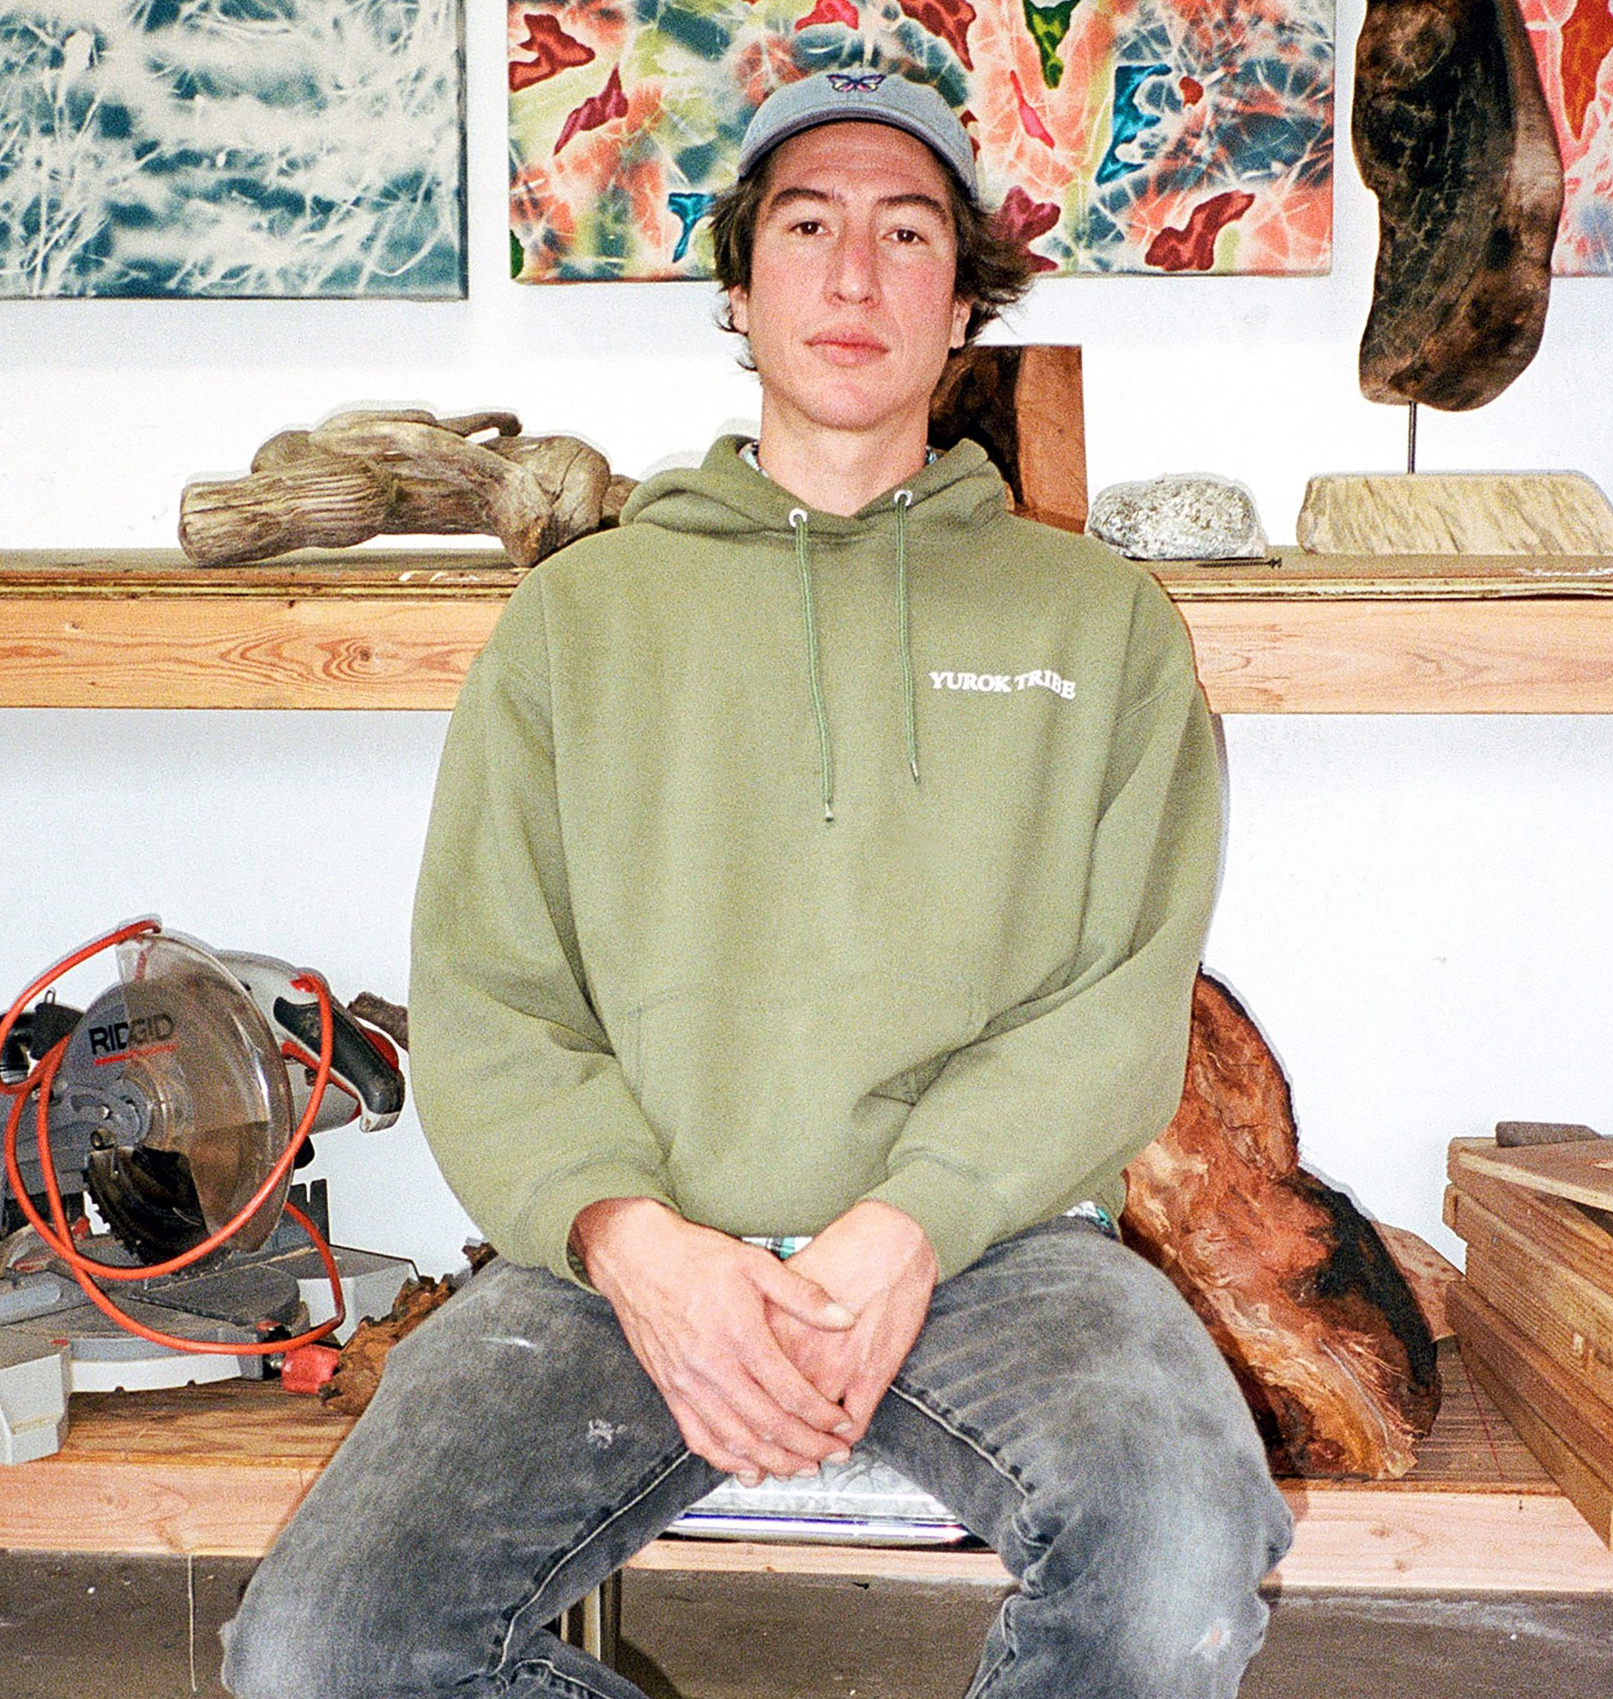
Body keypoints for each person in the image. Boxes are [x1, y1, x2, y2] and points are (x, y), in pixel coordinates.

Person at [223, 68, 1292, 1699]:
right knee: (320, 1657)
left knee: (1180, 1564)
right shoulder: (581, 624)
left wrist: (910, 1224)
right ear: (739, 289)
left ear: (962, 307)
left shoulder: (1102, 625)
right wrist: (634, 1242)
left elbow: (1118, 1007)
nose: (853, 276)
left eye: (906, 233)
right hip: (630, 1263)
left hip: (989, 1256)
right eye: (807, 228)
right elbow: (493, 996)